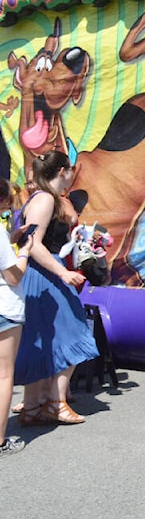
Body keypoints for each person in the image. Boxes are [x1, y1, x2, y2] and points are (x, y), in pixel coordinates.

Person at [15, 152, 96, 426]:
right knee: (73, 330)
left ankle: (37, 404)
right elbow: (33, 243)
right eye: (71, 170)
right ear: (63, 170)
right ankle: (54, 403)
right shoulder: (45, 199)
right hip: (45, 275)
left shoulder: (47, 197)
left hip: (44, 272)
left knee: (46, 337)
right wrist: (63, 272)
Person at [0, 179, 34, 457]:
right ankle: (0, 440)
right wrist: (23, 252)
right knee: (3, 376)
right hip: (4, 308)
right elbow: (12, 275)